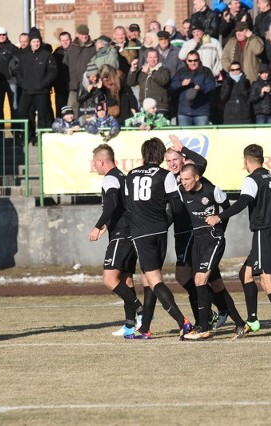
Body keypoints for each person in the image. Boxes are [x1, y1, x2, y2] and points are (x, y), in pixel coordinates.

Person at [206, 144, 271, 339]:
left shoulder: (251, 179)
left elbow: (242, 202)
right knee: (246, 274)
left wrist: (219, 217)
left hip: (265, 233)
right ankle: (253, 320)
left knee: (266, 279)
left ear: (246, 161)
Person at [123, 137, 193, 340]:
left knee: (154, 279)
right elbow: (177, 206)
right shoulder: (165, 175)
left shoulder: (130, 175)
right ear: (160, 156)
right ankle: (144, 327)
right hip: (160, 232)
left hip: (141, 234)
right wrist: (164, 220)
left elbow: (129, 206)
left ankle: (183, 322)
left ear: (144, 154)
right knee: (148, 279)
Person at [179, 163, 248, 339]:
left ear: (197, 177)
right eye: (182, 179)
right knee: (216, 285)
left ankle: (203, 328)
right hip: (197, 241)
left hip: (213, 239)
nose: (184, 182)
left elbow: (228, 208)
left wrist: (220, 223)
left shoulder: (212, 190)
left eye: (187, 179)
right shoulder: (181, 190)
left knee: (200, 279)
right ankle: (240, 323)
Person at [89, 144, 144, 337]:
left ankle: (141, 311)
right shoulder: (123, 176)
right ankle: (130, 324)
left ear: (102, 161)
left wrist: (98, 226)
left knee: (109, 279)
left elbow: (111, 204)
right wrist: (107, 226)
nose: (94, 165)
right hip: (130, 233)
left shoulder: (110, 178)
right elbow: (122, 206)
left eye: (95, 162)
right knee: (126, 280)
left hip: (122, 235)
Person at [16, 28, 57, 140]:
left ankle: (43, 137)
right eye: (34, 41)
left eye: (38, 41)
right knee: (22, 112)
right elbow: (18, 71)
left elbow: (52, 72)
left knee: (43, 114)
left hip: (41, 91)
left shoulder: (46, 55)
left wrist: (43, 84)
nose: (36, 43)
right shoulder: (24, 56)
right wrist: (22, 83)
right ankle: (28, 135)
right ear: (30, 42)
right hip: (27, 90)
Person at [170, 50, 216, 126]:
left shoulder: (206, 71)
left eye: (195, 60)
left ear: (199, 60)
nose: (193, 63)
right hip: (184, 112)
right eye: (190, 61)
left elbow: (212, 86)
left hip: (201, 112)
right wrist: (181, 83)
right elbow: (172, 85)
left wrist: (201, 87)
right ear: (186, 61)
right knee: (184, 137)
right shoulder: (181, 72)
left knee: (202, 136)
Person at [0, 26, 20, 121]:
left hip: (11, 81)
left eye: (3, 34)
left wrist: (13, 72)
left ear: (7, 35)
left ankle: (16, 132)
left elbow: (19, 64)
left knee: (14, 107)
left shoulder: (13, 48)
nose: (1, 36)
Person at [126, 48, 171, 116]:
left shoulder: (164, 70)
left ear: (158, 58)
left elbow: (164, 81)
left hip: (159, 108)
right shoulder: (142, 70)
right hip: (144, 108)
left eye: (155, 57)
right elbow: (131, 83)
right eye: (150, 57)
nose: (152, 59)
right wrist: (133, 69)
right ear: (147, 58)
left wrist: (150, 72)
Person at [63, 24, 96, 114]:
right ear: (77, 34)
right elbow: (65, 66)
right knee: (72, 111)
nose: (84, 36)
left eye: (86, 34)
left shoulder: (93, 48)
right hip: (74, 85)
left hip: (89, 86)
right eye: (81, 34)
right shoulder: (71, 48)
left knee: (89, 112)